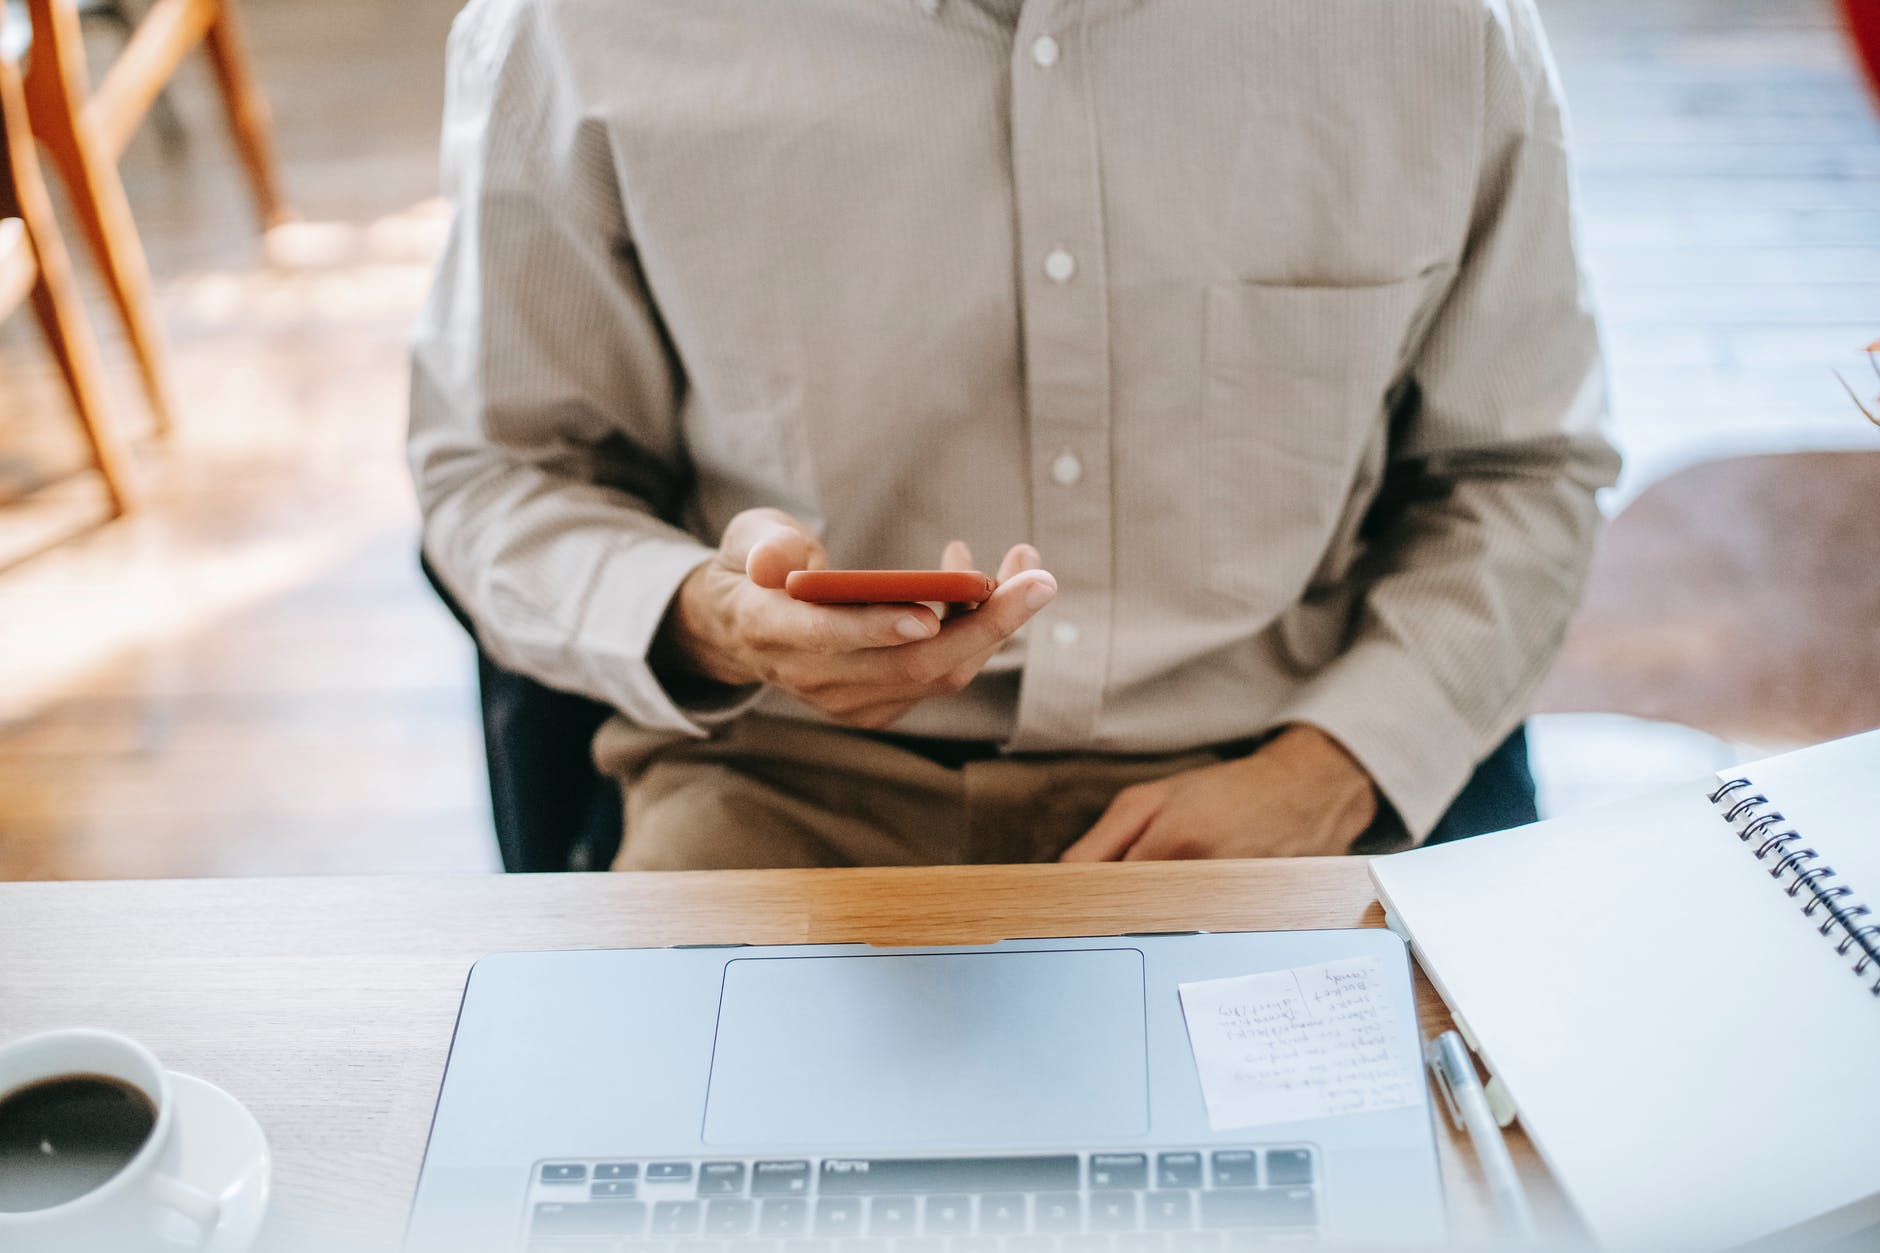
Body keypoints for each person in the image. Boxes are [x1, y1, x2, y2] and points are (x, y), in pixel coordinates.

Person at [409, 0, 1620, 870]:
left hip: (1278, 776)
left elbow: (1523, 469)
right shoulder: (576, 29)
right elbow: (500, 473)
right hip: (781, 790)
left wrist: (1332, 767)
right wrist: (713, 619)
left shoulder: (1437, 28)